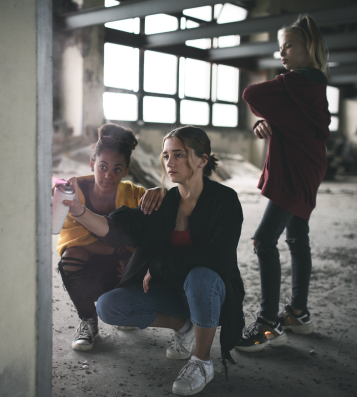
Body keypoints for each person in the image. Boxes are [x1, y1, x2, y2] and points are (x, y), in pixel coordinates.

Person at [61, 126, 245, 396]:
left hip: (210, 292)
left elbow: (217, 258)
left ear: (202, 160)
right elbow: (116, 229)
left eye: (179, 155)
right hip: (173, 292)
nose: (170, 163)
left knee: (200, 275)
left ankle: (202, 361)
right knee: (110, 305)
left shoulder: (225, 200)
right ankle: (185, 327)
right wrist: (78, 210)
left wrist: (155, 264)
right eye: (166, 155)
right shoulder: (162, 201)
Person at [235, 14, 331, 352]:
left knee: (264, 240)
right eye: (280, 48)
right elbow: (285, 119)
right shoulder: (313, 85)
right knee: (297, 236)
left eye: (289, 45)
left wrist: (265, 115)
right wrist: (265, 121)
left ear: (310, 47)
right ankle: (298, 313)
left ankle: (267, 324)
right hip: (309, 167)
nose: (282, 54)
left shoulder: (297, 84)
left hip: (295, 172)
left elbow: (251, 93)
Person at [56, 123, 160, 351]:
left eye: (116, 169)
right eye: (102, 166)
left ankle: (124, 309)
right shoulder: (73, 193)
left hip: (124, 272)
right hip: (92, 272)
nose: (108, 175)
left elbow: (151, 236)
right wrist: (119, 250)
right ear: (92, 163)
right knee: (70, 259)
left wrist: (161, 192)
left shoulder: (135, 195)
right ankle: (88, 322)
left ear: (126, 170)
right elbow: (71, 242)